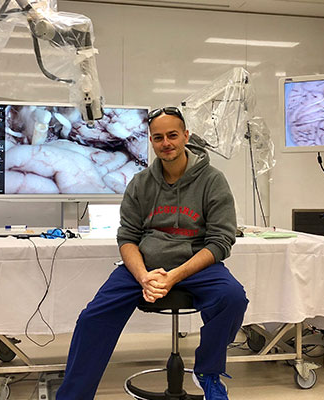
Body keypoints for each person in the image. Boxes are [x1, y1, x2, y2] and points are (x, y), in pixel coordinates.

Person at [56, 106, 248, 400]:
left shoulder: (212, 180)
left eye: (172, 135)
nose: (166, 143)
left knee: (232, 298)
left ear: (186, 136)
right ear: (151, 140)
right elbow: (127, 238)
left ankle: (208, 371)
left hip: (196, 266)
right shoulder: (140, 183)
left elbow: (220, 241)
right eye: (158, 138)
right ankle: (73, 396)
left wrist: (174, 277)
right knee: (92, 318)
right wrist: (144, 276)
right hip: (144, 266)